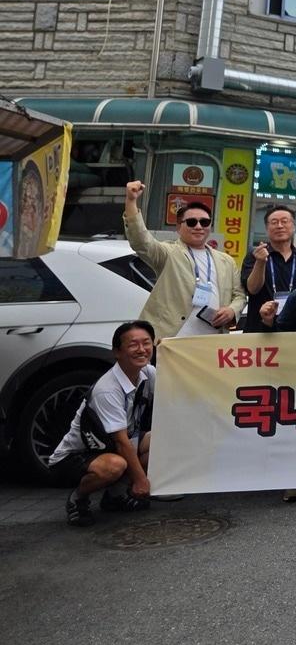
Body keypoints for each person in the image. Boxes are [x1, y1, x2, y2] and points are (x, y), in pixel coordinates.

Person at [50, 321, 157, 526]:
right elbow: (121, 442)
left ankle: (115, 496)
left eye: (147, 343)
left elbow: (175, 391)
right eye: (133, 345)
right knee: (115, 466)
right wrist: (141, 480)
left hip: (116, 444)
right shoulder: (108, 389)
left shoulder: (147, 373)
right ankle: (78, 498)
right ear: (117, 352)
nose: (142, 349)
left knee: (161, 442)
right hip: (76, 455)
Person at [122, 181, 242, 340]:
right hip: (171, 339)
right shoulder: (168, 252)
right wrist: (131, 201)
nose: (199, 226)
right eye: (192, 222)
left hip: (213, 340)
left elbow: (239, 295)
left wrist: (232, 310)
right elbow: (141, 241)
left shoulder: (226, 260)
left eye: (204, 222)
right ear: (178, 227)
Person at [241, 203, 296, 334]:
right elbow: (253, 289)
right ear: (267, 228)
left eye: (284, 221)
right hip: (260, 329)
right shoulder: (254, 255)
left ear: (293, 227)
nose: (280, 226)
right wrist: (260, 262)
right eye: (274, 222)